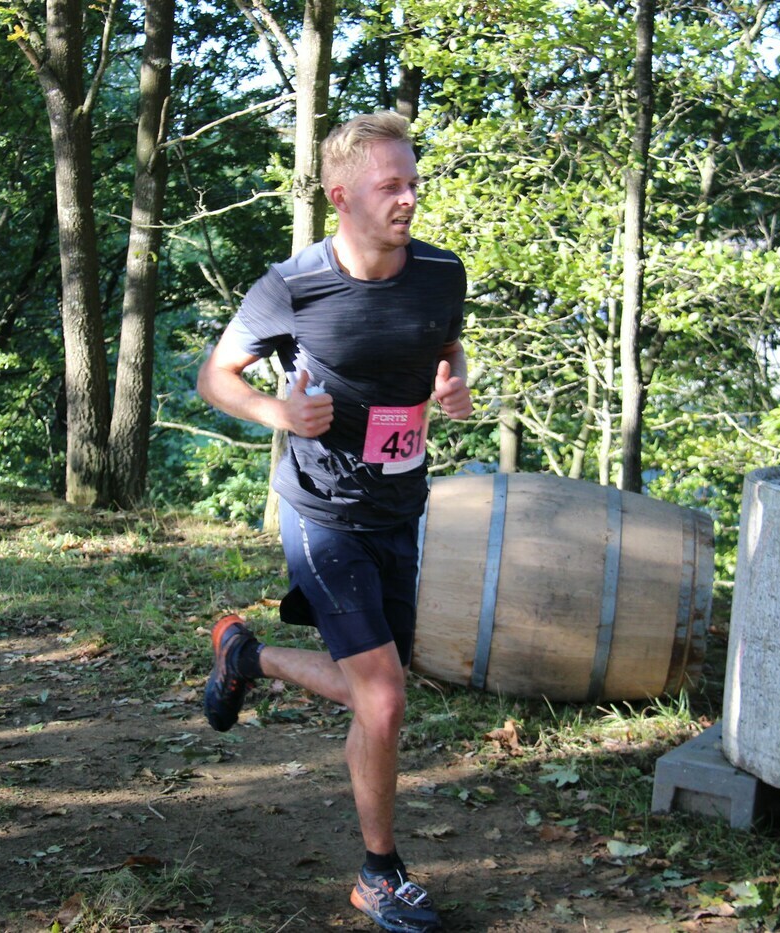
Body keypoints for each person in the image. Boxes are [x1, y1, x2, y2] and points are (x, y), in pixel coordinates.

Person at [196, 111, 472, 933]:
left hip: (400, 508)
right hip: (321, 512)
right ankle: (380, 873)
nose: (409, 198)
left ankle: (248, 656)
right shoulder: (293, 286)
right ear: (341, 196)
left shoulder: (441, 272)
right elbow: (216, 377)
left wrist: (453, 383)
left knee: (377, 693)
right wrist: (280, 412)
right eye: (392, 185)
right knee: (382, 700)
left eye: (414, 182)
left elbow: (446, 345)